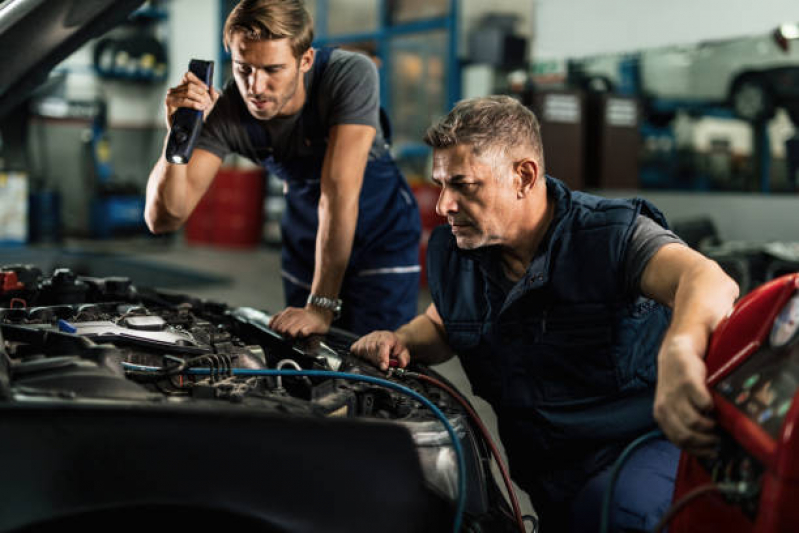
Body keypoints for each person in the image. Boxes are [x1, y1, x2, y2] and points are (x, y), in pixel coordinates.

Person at [351, 95, 739, 531]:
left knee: (622, 512)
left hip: (639, 451)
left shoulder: (608, 235)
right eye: (441, 184)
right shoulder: (457, 250)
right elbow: (443, 323)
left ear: (523, 176)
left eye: (463, 184)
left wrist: (680, 352)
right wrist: (403, 339)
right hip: (546, 474)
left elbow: (708, 280)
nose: (443, 205)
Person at [145, 0, 421, 336]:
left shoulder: (349, 74)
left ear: (305, 59)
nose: (255, 87)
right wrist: (177, 135)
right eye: (243, 68)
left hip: (380, 232)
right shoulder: (228, 111)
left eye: (272, 69)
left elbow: (337, 192)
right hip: (307, 232)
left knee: (377, 352)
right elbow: (164, 219)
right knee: (306, 355)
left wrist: (320, 306)